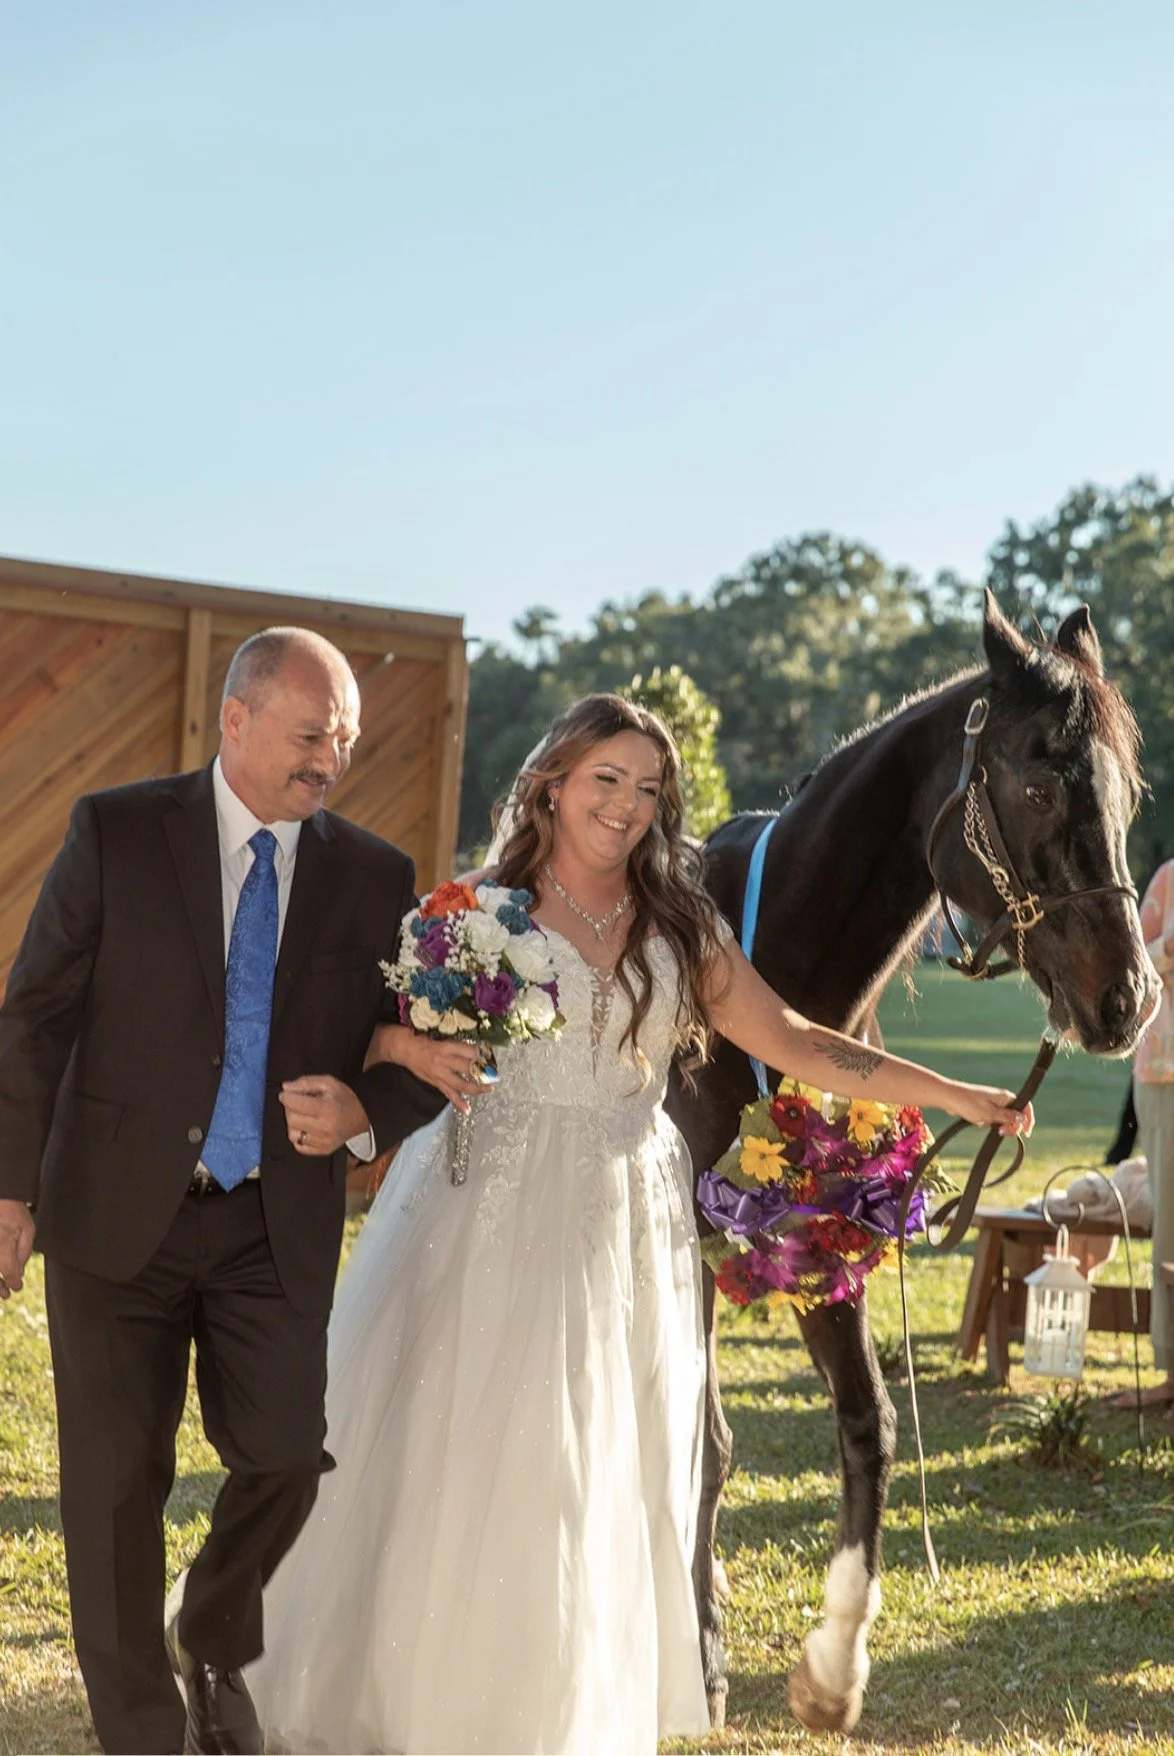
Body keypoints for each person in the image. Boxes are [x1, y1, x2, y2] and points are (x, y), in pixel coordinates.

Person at [243, 693, 1032, 1756]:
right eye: (604, 780)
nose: (624, 805)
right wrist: (394, 1058)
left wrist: (954, 1093)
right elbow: (375, 1033)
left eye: (646, 788)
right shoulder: (479, 910)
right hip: (487, 1211)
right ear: (552, 784)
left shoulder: (682, 924)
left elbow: (798, 1038)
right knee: (461, 1450)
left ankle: (550, 1712)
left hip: (620, 1223)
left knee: (590, 1466)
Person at [0, 628, 480, 1756]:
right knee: (115, 1490)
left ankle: (211, 1630)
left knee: (283, 1456)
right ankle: (145, 1735)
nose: (331, 760)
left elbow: (426, 1049)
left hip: (275, 1218)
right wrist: (8, 1190)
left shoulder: (372, 874)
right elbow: (33, 1016)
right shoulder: (117, 831)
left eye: (345, 739)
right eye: (311, 734)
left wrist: (365, 1110)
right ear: (236, 718)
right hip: (114, 1214)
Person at [1113, 858, 1174, 1411]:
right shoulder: (1167, 882)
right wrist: (1170, 949)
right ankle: (1171, 1365)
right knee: (1173, 1225)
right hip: (1165, 1073)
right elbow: (1134, 969)